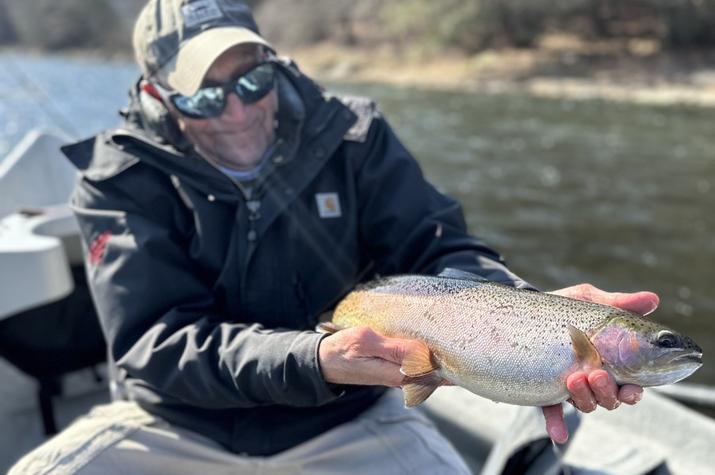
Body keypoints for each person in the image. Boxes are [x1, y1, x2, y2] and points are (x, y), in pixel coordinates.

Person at [9, 1, 659, 473]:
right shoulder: (116, 179)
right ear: (157, 96)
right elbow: (155, 342)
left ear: (272, 62)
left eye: (250, 79)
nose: (237, 110)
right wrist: (311, 357)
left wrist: (524, 309)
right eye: (204, 97)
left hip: (345, 415)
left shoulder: (353, 135)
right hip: (174, 423)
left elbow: (436, 248)